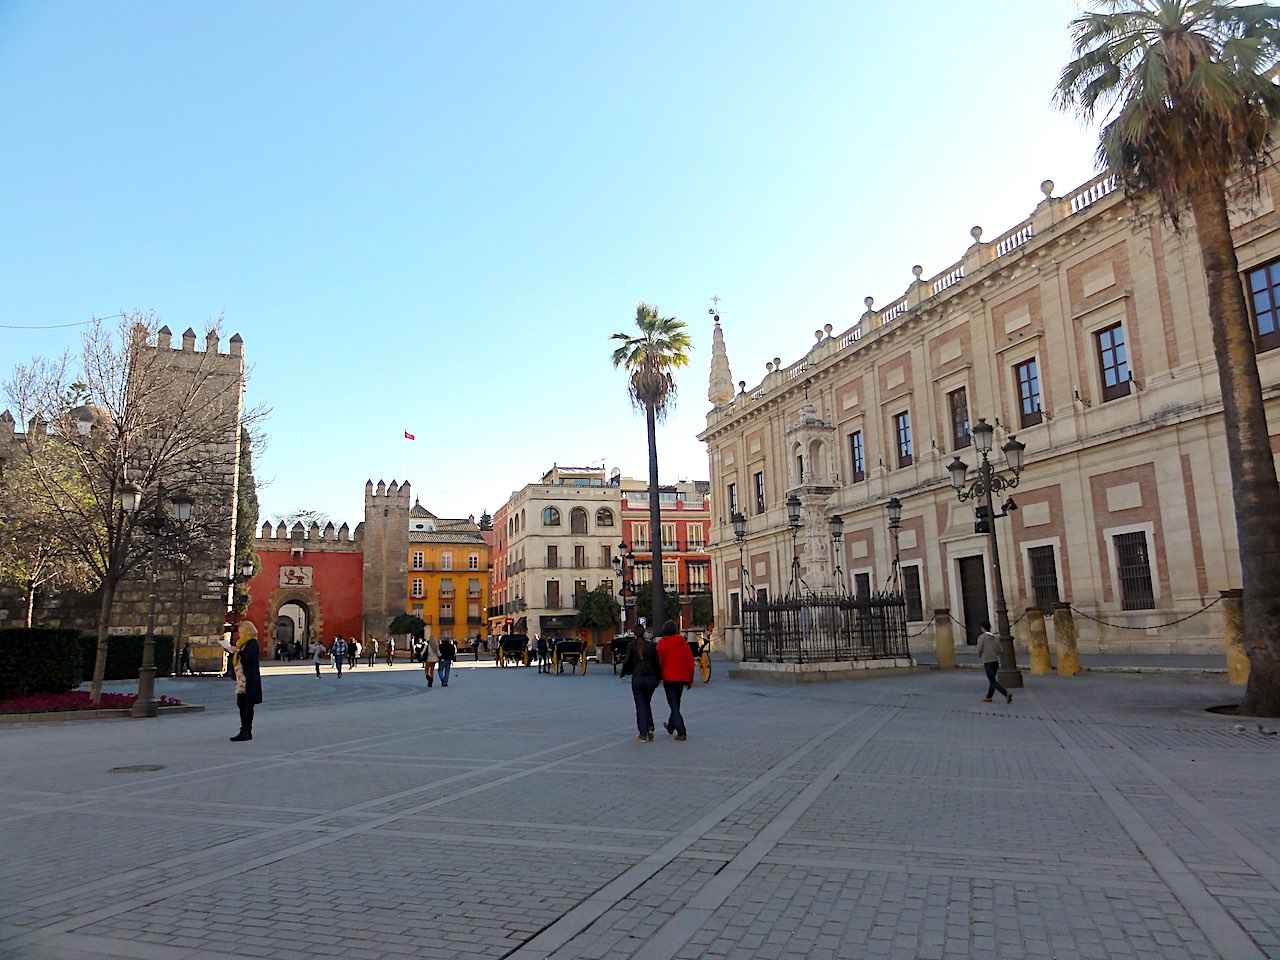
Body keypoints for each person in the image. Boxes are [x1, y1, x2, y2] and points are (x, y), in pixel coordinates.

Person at [656, 620, 695, 741]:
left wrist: (658, 676)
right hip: (682, 678)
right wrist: (690, 679)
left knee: (673, 705)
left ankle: (681, 731)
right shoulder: (683, 643)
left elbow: (659, 661)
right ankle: (671, 726)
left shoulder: (662, 644)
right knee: (676, 703)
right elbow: (690, 662)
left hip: (669, 678)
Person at [618, 631, 659, 743]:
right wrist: (657, 678)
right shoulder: (651, 645)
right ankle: (650, 727)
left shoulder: (631, 645)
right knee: (646, 703)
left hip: (638, 678)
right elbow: (656, 663)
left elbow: (626, 662)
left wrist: (623, 672)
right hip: (650, 678)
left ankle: (643, 733)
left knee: (640, 704)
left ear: (635, 634)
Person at [220, 633, 261, 742]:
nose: (240, 632)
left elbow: (249, 658)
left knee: (247, 705)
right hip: (242, 680)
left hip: (248, 680)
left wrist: (238, 651)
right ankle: (244, 730)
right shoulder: (242, 643)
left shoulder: (252, 642)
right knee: (242, 704)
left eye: (241, 630)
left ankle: (246, 731)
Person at [977, 621, 1012, 704]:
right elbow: (1000, 650)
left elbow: (979, 649)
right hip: (995, 661)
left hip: (987, 661)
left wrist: (981, 655)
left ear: (982, 628)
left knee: (992, 681)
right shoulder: (995, 638)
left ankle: (1006, 693)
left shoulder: (981, 637)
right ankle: (989, 697)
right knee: (992, 679)